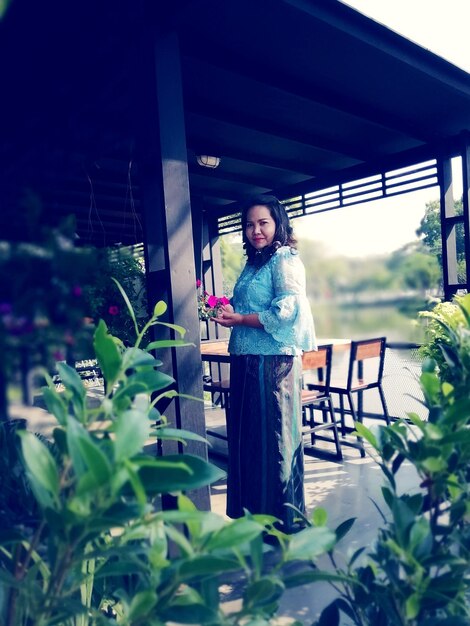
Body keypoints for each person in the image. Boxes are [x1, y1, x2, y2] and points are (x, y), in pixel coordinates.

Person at [212, 195, 316, 532]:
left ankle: (284, 520)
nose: (255, 230)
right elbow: (251, 304)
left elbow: (286, 313)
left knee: (274, 441)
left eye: (263, 223)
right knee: (249, 440)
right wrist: (228, 311)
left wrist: (240, 318)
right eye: (249, 224)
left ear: (278, 225)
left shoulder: (285, 259)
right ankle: (255, 514)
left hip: (273, 365)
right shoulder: (254, 263)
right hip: (245, 359)